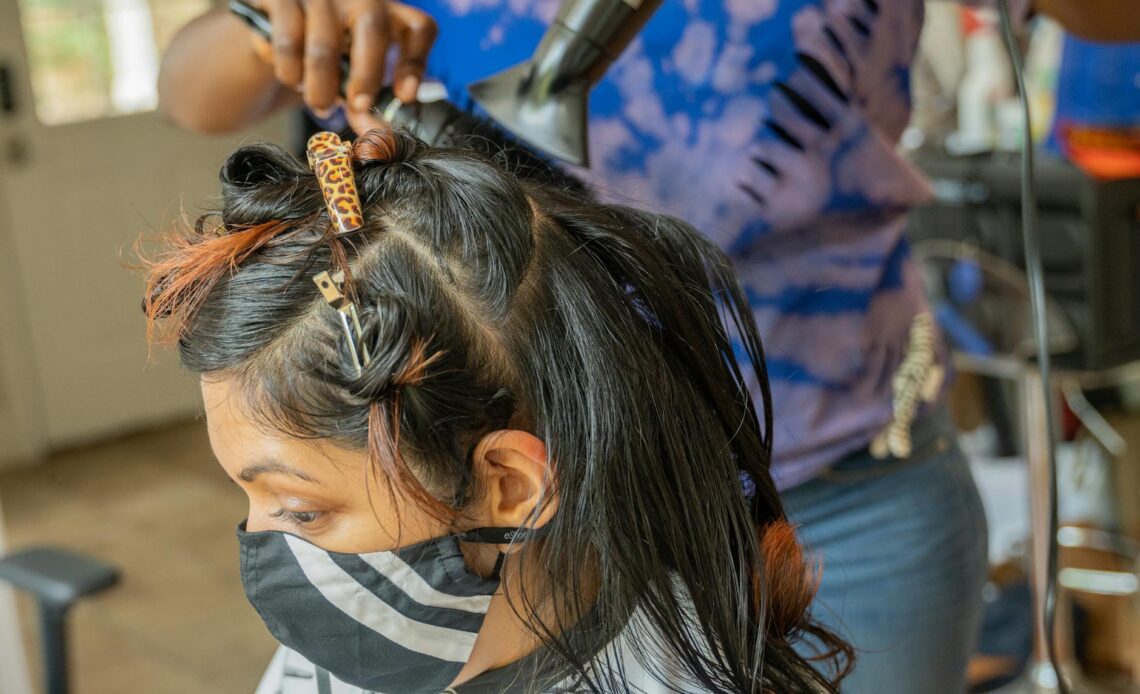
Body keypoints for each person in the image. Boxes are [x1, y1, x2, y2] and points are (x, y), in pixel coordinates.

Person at [157, 2, 1140, 691]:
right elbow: (192, 82)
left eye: (281, 503)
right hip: (449, 478)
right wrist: (269, 18)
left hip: (837, 467)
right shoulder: (381, 602)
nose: (261, 537)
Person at [142, 124, 851, 692]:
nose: (264, 549)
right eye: (252, 500)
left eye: (301, 512)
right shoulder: (356, 643)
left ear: (510, 484)